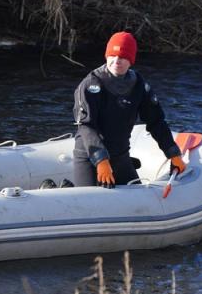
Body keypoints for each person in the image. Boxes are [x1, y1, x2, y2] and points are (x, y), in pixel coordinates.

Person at [72, 31, 186, 188]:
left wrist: (173, 153)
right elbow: (86, 126)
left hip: (120, 157)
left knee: (140, 201)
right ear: (106, 56)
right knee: (87, 205)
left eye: (123, 56)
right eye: (112, 55)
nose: (116, 60)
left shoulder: (139, 85)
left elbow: (156, 121)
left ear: (131, 60)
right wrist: (100, 159)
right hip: (90, 159)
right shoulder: (91, 85)